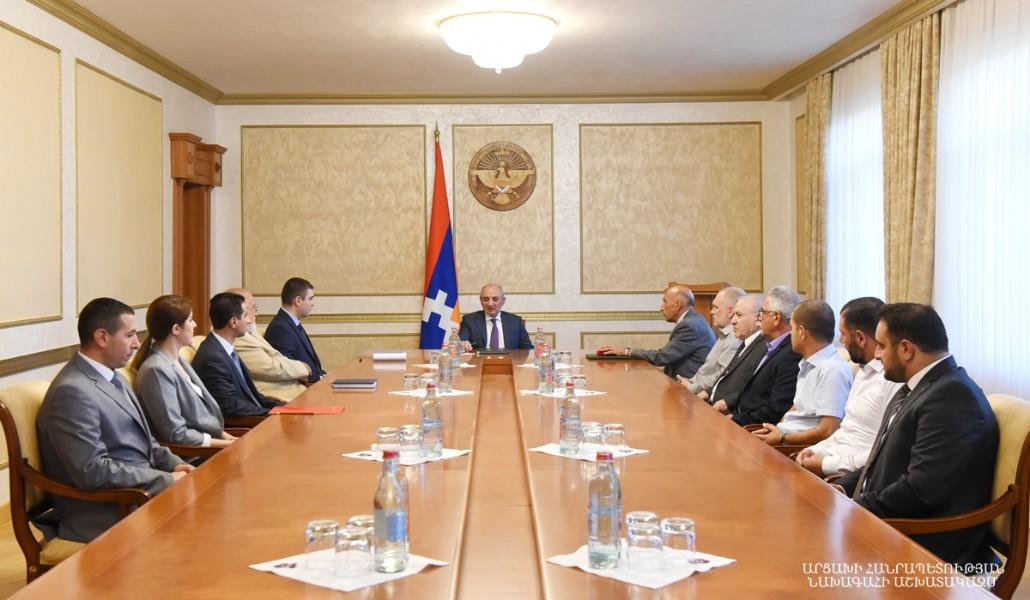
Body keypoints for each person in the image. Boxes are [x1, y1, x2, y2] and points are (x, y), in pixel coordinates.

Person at [837, 303, 998, 570]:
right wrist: (843, 488)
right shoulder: (920, 386)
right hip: (889, 523)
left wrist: (855, 506)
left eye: (882, 346)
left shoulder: (952, 397)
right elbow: (883, 460)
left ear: (906, 349)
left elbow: (922, 489)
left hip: (925, 543)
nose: (876, 355)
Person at [36, 298, 193, 542]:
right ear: (102, 337)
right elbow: (92, 471)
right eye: (129, 335)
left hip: (138, 494)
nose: (137, 343)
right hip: (107, 511)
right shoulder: (72, 391)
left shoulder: (113, 375)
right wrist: (164, 480)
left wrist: (175, 465)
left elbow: (145, 441)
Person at [796, 297, 901, 477]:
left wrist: (825, 464)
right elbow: (846, 431)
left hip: (848, 476)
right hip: (830, 461)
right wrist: (816, 450)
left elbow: (881, 452)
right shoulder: (863, 371)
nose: (840, 340)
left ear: (860, 338)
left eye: (843, 333)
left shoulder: (892, 380)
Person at [131, 295, 235, 448]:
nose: (195, 324)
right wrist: (225, 445)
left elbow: (204, 420)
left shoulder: (179, 360)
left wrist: (229, 438)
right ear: (176, 329)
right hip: (192, 455)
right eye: (191, 320)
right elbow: (176, 433)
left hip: (211, 444)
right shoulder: (156, 370)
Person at [751, 299, 853, 446]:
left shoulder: (832, 370)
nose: (790, 334)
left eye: (792, 329)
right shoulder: (807, 363)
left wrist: (782, 439)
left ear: (801, 332)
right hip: (784, 439)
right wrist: (777, 430)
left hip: (797, 448)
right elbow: (797, 409)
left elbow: (828, 430)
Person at [192, 292, 285, 417]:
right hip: (244, 424)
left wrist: (282, 407)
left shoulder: (224, 348)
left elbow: (251, 395)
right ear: (234, 322)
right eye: (246, 315)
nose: (249, 320)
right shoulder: (213, 358)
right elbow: (230, 406)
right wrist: (271, 413)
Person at [598, 285, 715, 379]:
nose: (661, 308)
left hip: (689, 392)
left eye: (665, 302)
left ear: (677, 305)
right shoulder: (694, 321)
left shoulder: (689, 326)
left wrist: (626, 351)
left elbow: (662, 357)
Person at [730, 285, 803, 427]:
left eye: (762, 312)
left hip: (752, 428)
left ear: (776, 318)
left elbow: (776, 409)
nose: (759, 318)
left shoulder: (791, 354)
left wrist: (735, 420)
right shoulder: (769, 344)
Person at [229, 287, 310, 401]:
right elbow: (273, 368)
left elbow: (278, 357)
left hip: (296, 391)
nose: (256, 313)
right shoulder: (238, 339)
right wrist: (304, 368)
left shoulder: (255, 332)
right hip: (280, 399)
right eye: (252, 308)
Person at [678, 286, 745, 395]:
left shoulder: (734, 338)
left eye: (715, 307)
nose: (711, 311)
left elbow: (721, 377)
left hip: (702, 396)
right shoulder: (724, 334)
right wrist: (690, 381)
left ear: (730, 311)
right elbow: (707, 372)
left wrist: (691, 387)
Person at [709, 294, 768, 411]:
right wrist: (707, 392)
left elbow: (753, 388)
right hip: (712, 405)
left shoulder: (764, 346)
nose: (733, 321)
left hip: (729, 412)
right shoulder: (746, 341)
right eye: (734, 315)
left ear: (758, 318)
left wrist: (728, 402)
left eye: (739, 315)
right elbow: (725, 376)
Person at [262, 277, 325, 382]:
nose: (313, 303)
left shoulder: (290, 323)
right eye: (310, 299)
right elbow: (289, 369)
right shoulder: (280, 328)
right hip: (302, 388)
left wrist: (323, 375)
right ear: (298, 301)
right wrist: (320, 378)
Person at [458, 283, 533, 350]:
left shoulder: (515, 321)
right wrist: (463, 343)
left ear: (503, 301)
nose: (490, 303)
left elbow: (528, 349)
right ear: (481, 301)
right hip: (480, 360)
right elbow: (460, 342)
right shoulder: (469, 320)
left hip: (509, 360)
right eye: (486, 299)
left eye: (495, 299)